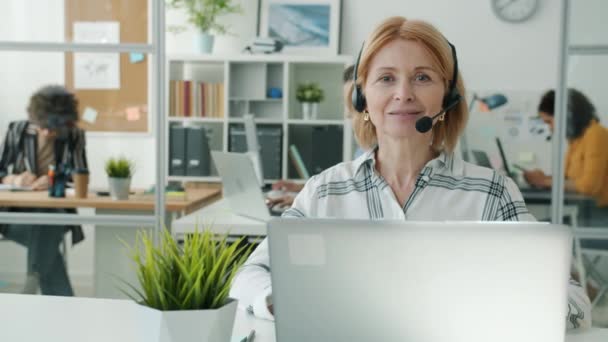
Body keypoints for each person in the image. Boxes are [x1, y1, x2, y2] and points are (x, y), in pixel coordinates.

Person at [230, 17, 591, 329]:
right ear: (362, 99)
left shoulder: (492, 192)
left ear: (448, 98)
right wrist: (283, 301)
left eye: (422, 77)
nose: (403, 94)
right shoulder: (325, 192)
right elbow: (248, 277)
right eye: (386, 78)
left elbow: (574, 303)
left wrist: (489, 307)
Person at [0, 85, 88, 296]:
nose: (48, 132)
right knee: (47, 239)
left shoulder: (74, 135)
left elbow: (80, 176)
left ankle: (32, 282)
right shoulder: (18, 130)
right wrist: (16, 178)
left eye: (54, 128)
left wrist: (53, 182)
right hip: (15, 216)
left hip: (55, 212)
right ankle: (62, 301)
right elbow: (1, 171)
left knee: (47, 219)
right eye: (43, 126)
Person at [267, 65, 358, 208]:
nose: (347, 114)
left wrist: (303, 201)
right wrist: (299, 188)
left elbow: (353, 201)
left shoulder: (376, 151)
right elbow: (344, 189)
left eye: (352, 104)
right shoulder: (363, 151)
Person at [524, 89, 608, 209]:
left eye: (549, 122)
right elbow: (570, 180)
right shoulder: (576, 140)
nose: (550, 128)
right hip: (582, 208)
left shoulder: (595, 134)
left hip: (597, 214)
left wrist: (544, 182)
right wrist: (545, 178)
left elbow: (589, 186)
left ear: (567, 116)